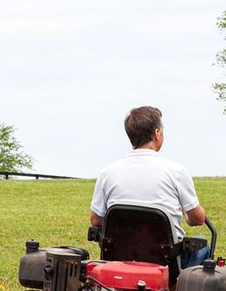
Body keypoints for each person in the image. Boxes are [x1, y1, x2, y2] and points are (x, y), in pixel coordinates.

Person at [89, 106, 211, 268]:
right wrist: (186, 215)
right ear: (157, 133)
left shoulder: (107, 173)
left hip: (119, 262)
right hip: (168, 265)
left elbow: (96, 220)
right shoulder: (176, 171)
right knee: (202, 244)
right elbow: (198, 219)